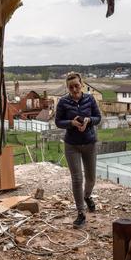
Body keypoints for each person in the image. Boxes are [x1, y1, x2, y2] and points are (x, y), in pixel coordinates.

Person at [54, 72, 102, 228]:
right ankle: (81, 213)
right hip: (72, 145)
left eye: (76, 85)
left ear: (82, 84)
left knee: (91, 178)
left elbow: (98, 117)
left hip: (89, 143)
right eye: (71, 87)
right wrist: (71, 123)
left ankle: (87, 196)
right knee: (77, 179)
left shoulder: (90, 99)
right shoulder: (63, 102)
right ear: (67, 88)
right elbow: (58, 122)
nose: (74, 89)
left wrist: (89, 120)